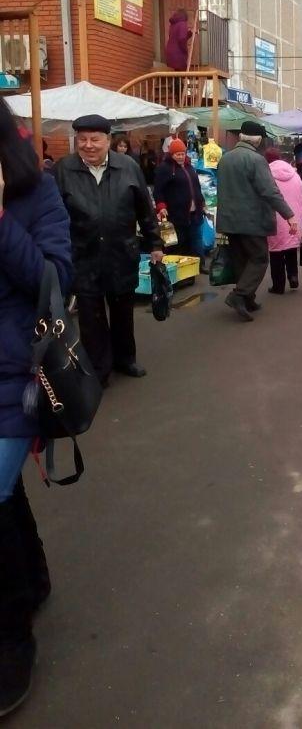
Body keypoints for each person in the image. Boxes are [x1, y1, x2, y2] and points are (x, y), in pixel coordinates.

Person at [0, 97, 72, 714]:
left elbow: (53, 280)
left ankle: (10, 637)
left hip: (13, 376)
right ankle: (35, 578)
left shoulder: (36, 195)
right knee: (2, 495)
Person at [54, 114, 163, 385]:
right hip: (82, 255)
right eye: (82, 140)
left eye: (95, 139)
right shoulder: (63, 169)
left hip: (120, 252)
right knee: (91, 317)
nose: (88, 145)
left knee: (122, 310)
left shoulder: (128, 167)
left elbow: (145, 210)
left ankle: (126, 359)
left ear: (109, 140)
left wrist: (155, 244)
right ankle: (99, 369)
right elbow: (53, 215)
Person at [216, 121, 298, 321]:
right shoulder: (256, 160)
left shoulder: (225, 159)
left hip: (229, 220)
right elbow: (269, 191)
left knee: (242, 260)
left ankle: (247, 299)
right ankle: (239, 295)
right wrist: (289, 214)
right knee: (259, 258)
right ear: (259, 139)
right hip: (251, 220)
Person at [265, 148, 302, 294]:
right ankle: (293, 277)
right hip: (294, 217)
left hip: (275, 217)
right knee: (291, 247)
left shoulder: (265, 175)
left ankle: (278, 286)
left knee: (276, 252)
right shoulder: (294, 174)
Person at [153, 138, 205, 260]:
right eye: (178, 154)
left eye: (183, 154)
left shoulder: (189, 167)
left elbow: (196, 187)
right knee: (178, 242)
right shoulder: (165, 169)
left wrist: (201, 201)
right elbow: (158, 190)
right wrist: (161, 206)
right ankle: (178, 267)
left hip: (194, 213)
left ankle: (199, 264)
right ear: (172, 154)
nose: (181, 157)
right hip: (176, 214)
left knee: (196, 239)